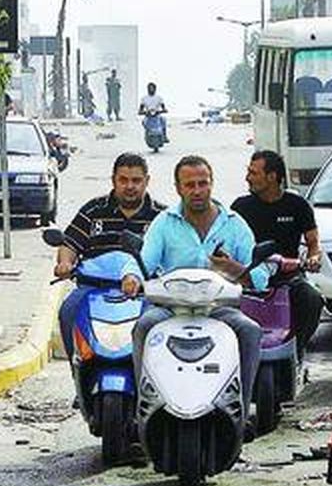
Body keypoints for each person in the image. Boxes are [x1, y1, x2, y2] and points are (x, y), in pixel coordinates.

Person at [121, 155, 266, 406]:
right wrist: (132, 276)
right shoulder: (164, 223)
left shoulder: (234, 224)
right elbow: (143, 260)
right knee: (143, 327)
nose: (197, 191)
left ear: (211, 184)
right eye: (190, 185)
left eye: (203, 183)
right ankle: (145, 404)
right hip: (170, 310)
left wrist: (235, 269)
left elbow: (260, 276)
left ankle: (240, 411)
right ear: (178, 188)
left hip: (219, 310)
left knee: (250, 330)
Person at [55, 152, 165, 357]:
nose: (130, 186)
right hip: (92, 288)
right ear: (113, 180)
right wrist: (65, 263)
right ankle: (80, 370)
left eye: (136, 180)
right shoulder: (93, 210)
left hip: (144, 292)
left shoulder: (161, 217)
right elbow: (70, 243)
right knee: (68, 311)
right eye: (123, 180)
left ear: (146, 181)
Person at [232, 150, 325, 357]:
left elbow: (313, 243)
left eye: (253, 173)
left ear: (272, 177)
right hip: (248, 278)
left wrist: (313, 259)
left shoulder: (297, 205)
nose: (248, 178)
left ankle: (295, 351)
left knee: (312, 299)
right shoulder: (240, 207)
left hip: (287, 277)